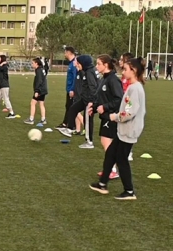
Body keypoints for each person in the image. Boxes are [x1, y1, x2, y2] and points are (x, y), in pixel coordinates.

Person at [89, 57, 146, 200]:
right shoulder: (132, 87)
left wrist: (113, 117)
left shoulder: (135, 88)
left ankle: (129, 191)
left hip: (129, 130)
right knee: (111, 154)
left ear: (134, 71)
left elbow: (129, 112)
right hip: (124, 130)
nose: (123, 71)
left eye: (126, 69)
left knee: (121, 160)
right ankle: (102, 184)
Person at [86, 55, 123, 179]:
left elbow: (119, 99)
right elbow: (102, 99)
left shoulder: (113, 80)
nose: (96, 67)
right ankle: (112, 169)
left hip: (112, 116)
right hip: (105, 116)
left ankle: (112, 170)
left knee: (106, 141)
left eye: (98, 64)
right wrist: (94, 108)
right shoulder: (104, 79)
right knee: (107, 142)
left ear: (105, 65)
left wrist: (105, 107)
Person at [58, 55, 97, 145]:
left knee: (88, 120)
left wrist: (92, 101)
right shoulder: (86, 71)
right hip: (84, 99)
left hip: (89, 101)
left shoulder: (89, 72)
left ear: (83, 63)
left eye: (78, 63)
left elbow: (93, 87)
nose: (77, 65)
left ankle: (89, 141)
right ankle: (70, 129)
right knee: (72, 109)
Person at [56, 46, 77, 129]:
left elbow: (75, 77)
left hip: (72, 90)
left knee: (71, 107)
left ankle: (71, 126)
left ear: (69, 52)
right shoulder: (71, 63)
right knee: (68, 106)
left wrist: (72, 89)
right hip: (69, 89)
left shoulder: (74, 63)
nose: (64, 54)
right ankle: (66, 123)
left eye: (65, 52)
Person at [24, 57, 48, 125]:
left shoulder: (38, 70)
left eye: (33, 63)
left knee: (33, 103)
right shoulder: (42, 69)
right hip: (43, 89)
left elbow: (39, 81)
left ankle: (31, 119)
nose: (32, 64)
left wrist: (37, 91)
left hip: (40, 90)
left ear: (36, 63)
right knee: (41, 104)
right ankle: (43, 119)